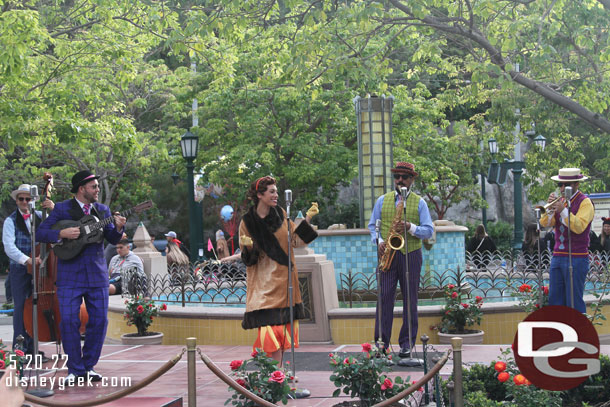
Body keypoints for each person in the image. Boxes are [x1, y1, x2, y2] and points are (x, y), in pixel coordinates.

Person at [36, 170, 126, 384]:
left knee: (99, 321)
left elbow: (113, 238)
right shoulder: (62, 209)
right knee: (68, 321)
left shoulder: (102, 210)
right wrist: (60, 234)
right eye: (93, 186)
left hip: (96, 274)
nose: (97, 190)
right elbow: (41, 233)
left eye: (96, 186)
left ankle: (89, 366)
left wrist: (120, 227)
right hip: (69, 275)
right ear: (81, 188)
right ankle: (75, 370)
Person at [238, 175, 318, 363]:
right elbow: (248, 259)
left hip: (285, 282)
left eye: (277, 192)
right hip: (263, 286)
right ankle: (275, 373)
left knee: (283, 331)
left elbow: (296, 241)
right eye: (272, 192)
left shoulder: (282, 214)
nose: (276, 195)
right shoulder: (247, 223)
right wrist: (249, 247)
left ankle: (278, 373)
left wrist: (307, 218)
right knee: (269, 331)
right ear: (259, 194)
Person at [367, 162, 434, 358]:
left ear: (412, 179)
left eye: (405, 177)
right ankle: (381, 343)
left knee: (410, 300)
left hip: (411, 254)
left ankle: (407, 344)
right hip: (388, 253)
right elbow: (373, 226)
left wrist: (410, 227)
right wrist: (379, 240)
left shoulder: (420, 203)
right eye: (397, 177)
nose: (400, 180)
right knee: (384, 299)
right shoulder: (382, 200)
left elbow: (428, 230)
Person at [2, 183, 54, 360]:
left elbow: (57, 229)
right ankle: (20, 349)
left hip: (41, 270)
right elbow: (9, 247)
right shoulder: (10, 221)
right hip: (20, 269)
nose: (24, 202)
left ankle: (33, 347)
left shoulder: (41, 216)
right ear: (17, 201)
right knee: (20, 307)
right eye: (21, 199)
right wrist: (28, 260)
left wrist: (53, 209)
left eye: (28, 198)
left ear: (32, 200)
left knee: (36, 305)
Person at [540, 168, 594, 313]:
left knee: (574, 300)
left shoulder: (585, 202)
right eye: (560, 185)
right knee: (555, 299)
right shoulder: (561, 202)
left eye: (566, 185)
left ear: (576, 184)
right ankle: (560, 332)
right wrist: (550, 210)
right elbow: (545, 223)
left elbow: (579, 227)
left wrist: (563, 211)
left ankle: (579, 333)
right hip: (558, 256)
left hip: (576, 257)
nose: (562, 188)